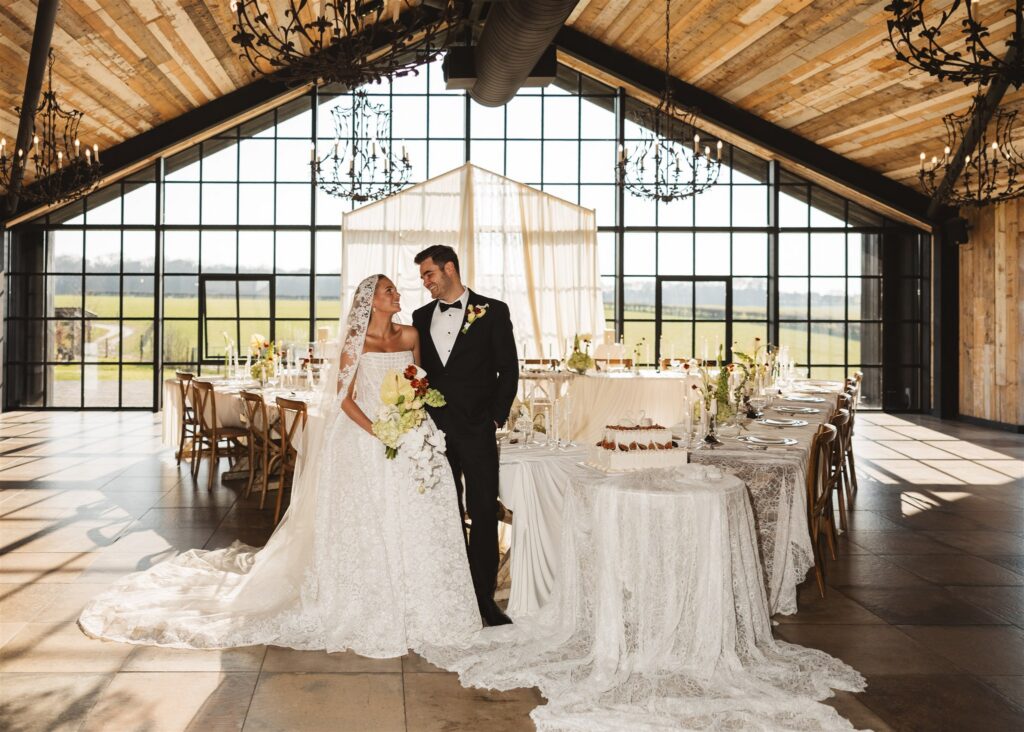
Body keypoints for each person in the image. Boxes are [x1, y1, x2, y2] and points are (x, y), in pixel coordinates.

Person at [78, 274, 481, 657]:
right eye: (389, 290)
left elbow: (418, 380)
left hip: (410, 430)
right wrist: (378, 430)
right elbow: (343, 398)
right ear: (370, 300)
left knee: (417, 513)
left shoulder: (410, 334)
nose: (397, 294)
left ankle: (422, 600)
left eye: (395, 289)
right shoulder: (353, 346)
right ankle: (372, 599)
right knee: (369, 516)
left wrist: (412, 418)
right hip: (368, 434)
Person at [412, 245, 519, 627]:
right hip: (434, 433)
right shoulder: (420, 317)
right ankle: (452, 592)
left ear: (450, 268)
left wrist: (493, 418)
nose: (425, 283)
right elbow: (419, 373)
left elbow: (509, 370)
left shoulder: (493, 311)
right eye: (423, 277)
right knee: (446, 513)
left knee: (484, 513)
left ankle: (484, 599)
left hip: (477, 429)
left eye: (429, 274)